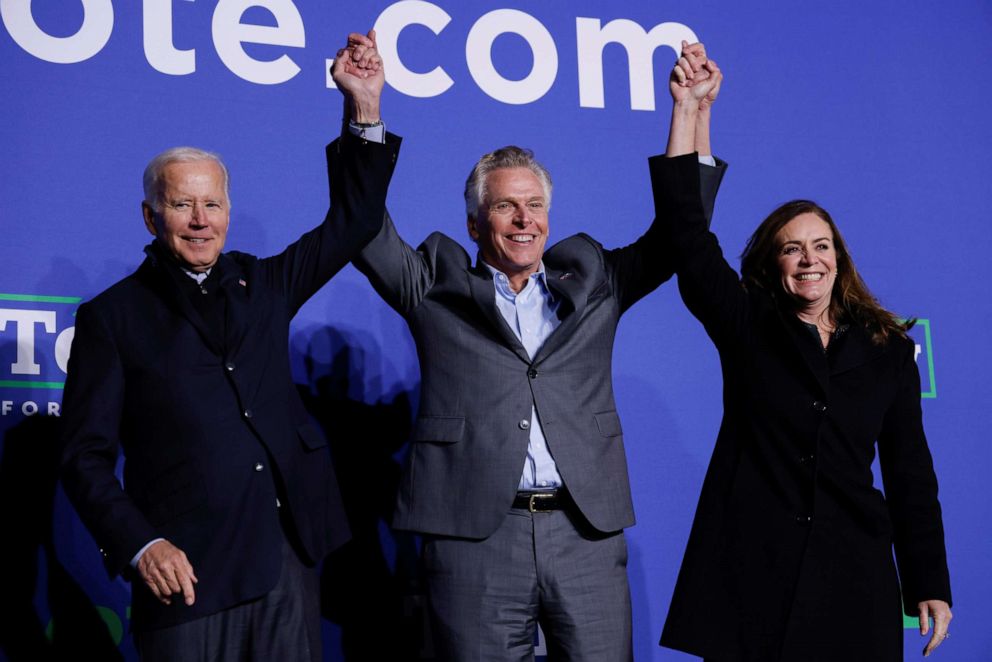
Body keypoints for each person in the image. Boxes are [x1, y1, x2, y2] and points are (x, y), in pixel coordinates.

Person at [331, 32, 725, 660]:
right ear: (474, 223)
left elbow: (681, 235)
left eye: (535, 206)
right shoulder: (433, 285)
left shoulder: (596, 280)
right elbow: (361, 225)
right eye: (507, 207)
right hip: (473, 539)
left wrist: (689, 113)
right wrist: (365, 110)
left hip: (583, 533)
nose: (524, 221)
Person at [57, 74, 400, 660]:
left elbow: (355, 222)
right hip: (186, 576)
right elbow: (82, 457)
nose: (199, 219)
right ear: (150, 216)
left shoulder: (263, 284)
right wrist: (140, 545)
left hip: (284, 564)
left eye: (211, 204)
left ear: (228, 212)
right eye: (182, 204)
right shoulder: (111, 318)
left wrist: (363, 106)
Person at [652, 45, 953, 661]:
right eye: (793, 249)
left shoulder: (888, 349)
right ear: (773, 263)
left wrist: (928, 583)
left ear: (839, 257)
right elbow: (686, 235)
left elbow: (909, 475)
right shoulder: (747, 323)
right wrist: (689, 112)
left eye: (821, 245)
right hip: (754, 577)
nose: (809, 259)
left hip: (854, 580)